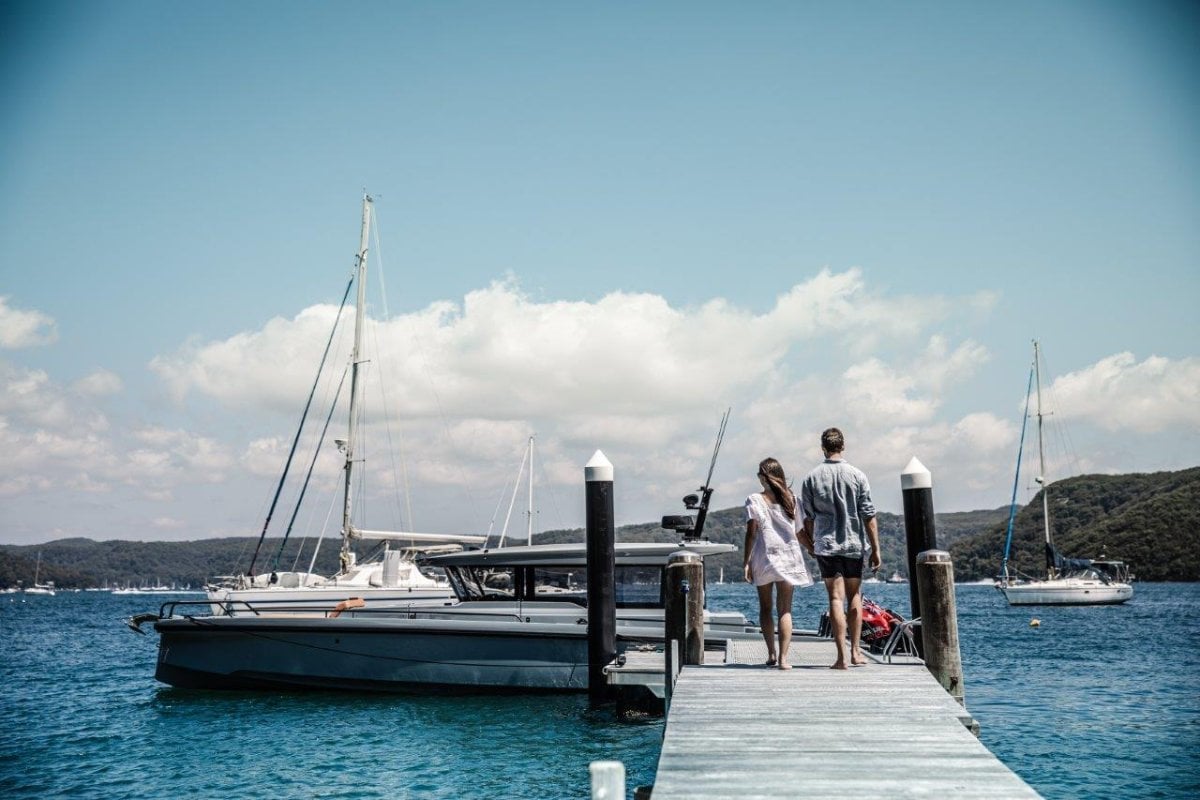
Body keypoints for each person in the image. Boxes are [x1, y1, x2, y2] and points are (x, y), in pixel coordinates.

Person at [799, 428, 881, 670]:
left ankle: (840, 657)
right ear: (842, 447)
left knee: (835, 598)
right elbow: (869, 514)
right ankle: (856, 652)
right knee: (855, 596)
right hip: (854, 543)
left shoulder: (811, 478)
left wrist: (813, 544)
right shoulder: (858, 475)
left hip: (826, 544)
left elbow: (808, 517)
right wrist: (875, 548)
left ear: (823, 448)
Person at [743, 457, 813, 669]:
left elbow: (751, 532)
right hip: (789, 558)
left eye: (759, 473)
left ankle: (771, 654)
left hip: (764, 558)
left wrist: (746, 561)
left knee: (765, 608)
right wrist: (812, 549)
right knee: (785, 610)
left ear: (764, 477)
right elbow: (799, 533)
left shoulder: (754, 499)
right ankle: (784, 659)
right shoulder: (792, 499)